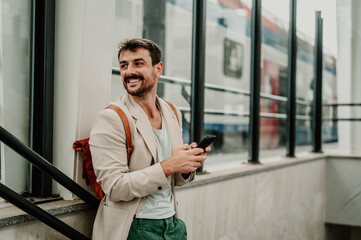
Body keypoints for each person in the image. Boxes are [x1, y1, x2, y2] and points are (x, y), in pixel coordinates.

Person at [89, 38, 210, 239]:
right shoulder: (111, 118)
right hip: (134, 228)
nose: (129, 72)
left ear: (158, 69)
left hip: (172, 224)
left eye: (138, 63)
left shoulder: (172, 111)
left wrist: (188, 164)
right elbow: (114, 187)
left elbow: (174, 181)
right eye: (123, 65)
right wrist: (169, 165)